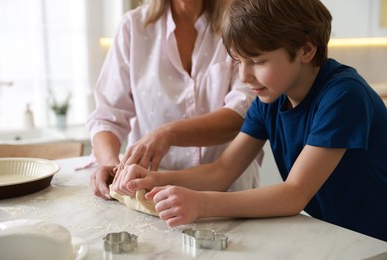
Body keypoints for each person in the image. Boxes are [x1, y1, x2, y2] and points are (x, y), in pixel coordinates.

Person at [111, 0, 387, 241]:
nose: (244, 76)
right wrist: (153, 179)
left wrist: (202, 204)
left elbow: (294, 194)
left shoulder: (343, 96)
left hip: (375, 239)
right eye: (238, 61)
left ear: (305, 50)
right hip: (335, 235)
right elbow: (222, 170)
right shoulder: (271, 99)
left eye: (257, 61)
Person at [86, 0, 262, 200]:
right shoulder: (132, 27)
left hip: (228, 193)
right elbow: (108, 116)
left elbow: (244, 112)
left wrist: (167, 134)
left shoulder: (240, 22)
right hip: (148, 193)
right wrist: (111, 166)